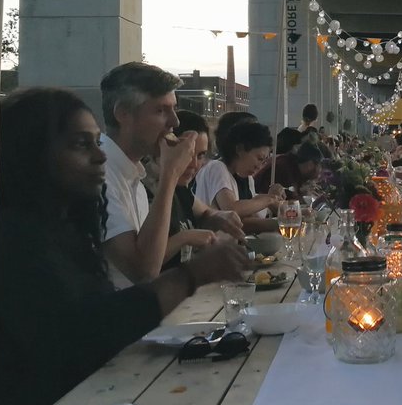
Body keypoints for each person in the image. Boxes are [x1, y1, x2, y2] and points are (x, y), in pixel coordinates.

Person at [0, 88, 247, 405]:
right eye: (81, 145)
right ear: (31, 153)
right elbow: (82, 333)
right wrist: (191, 276)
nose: (100, 156)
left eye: (97, 142)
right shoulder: (0, 235)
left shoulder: (60, 225)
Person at [99, 62, 236, 288]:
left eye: (174, 108)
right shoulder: (100, 173)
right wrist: (170, 173)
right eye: (161, 110)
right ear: (123, 113)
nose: (175, 122)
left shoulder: (131, 173)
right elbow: (144, 271)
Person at [146, 110, 246, 271]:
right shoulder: (144, 190)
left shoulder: (181, 189)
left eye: (200, 156)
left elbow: (208, 212)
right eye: (188, 154)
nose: (193, 164)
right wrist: (186, 237)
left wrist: (218, 216)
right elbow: (143, 265)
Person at [194, 121, 282, 233]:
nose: (259, 166)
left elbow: (248, 219)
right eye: (259, 158)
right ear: (240, 149)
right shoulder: (216, 167)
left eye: (263, 161)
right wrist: (269, 200)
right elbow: (231, 209)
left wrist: (283, 216)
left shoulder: (246, 178)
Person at [254, 139, 323, 195]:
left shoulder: (293, 167)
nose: (320, 171)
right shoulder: (284, 168)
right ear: (310, 164)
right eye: (319, 166)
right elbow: (288, 200)